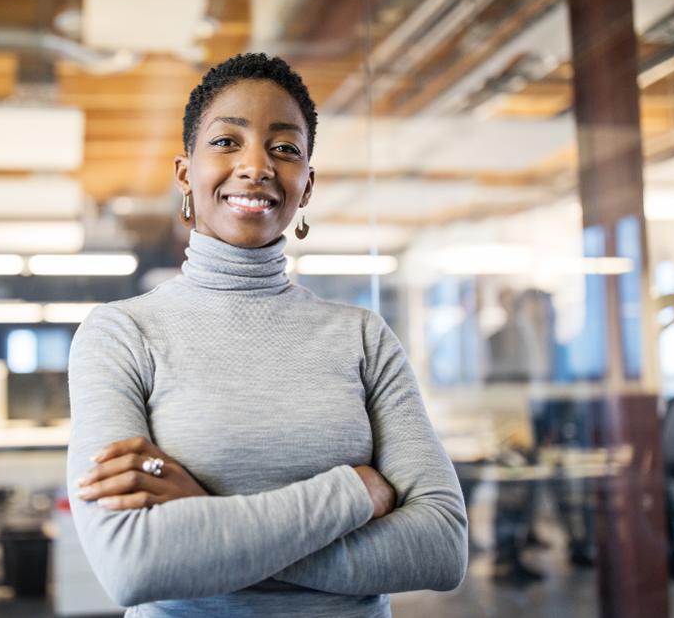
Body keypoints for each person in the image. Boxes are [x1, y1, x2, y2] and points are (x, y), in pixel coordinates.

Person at [66, 53, 468, 617]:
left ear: (306, 186)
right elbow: (132, 563)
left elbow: (441, 548)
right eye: (227, 142)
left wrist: (205, 517)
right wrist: (355, 493)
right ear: (185, 173)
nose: (256, 165)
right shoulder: (122, 334)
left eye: (285, 148)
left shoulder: (361, 337)